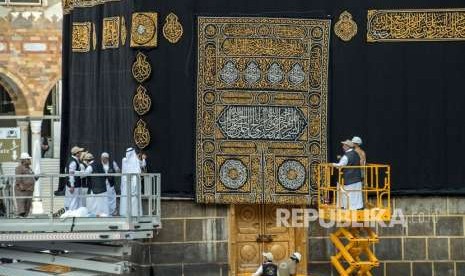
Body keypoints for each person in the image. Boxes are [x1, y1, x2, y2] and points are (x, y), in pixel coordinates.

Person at [333, 140, 363, 210]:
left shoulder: (346, 156)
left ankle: (346, 207)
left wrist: (332, 164)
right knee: (356, 195)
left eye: (344, 145)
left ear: (347, 146)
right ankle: (356, 208)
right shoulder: (356, 154)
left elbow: (340, 166)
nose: (343, 147)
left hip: (347, 180)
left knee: (346, 194)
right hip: (357, 179)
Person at [120, 148, 142, 217]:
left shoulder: (136, 161)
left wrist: (134, 184)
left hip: (133, 184)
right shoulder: (124, 161)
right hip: (126, 184)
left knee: (134, 199)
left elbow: (137, 172)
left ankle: (135, 214)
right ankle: (125, 213)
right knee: (125, 199)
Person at [14, 153, 35, 217]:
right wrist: (22, 187)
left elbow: (33, 177)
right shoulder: (19, 168)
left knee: (27, 207)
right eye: (28, 159)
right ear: (23, 160)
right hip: (22, 191)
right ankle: (21, 218)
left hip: (29, 190)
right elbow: (18, 178)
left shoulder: (29, 168)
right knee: (22, 207)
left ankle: (25, 217)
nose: (29, 160)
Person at [65, 146, 84, 210]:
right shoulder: (73, 162)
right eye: (80, 152)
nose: (81, 153)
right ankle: (73, 215)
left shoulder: (72, 160)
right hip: (74, 185)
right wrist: (72, 185)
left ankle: (73, 214)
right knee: (74, 201)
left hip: (72, 184)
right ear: (77, 153)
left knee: (73, 201)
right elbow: (71, 173)